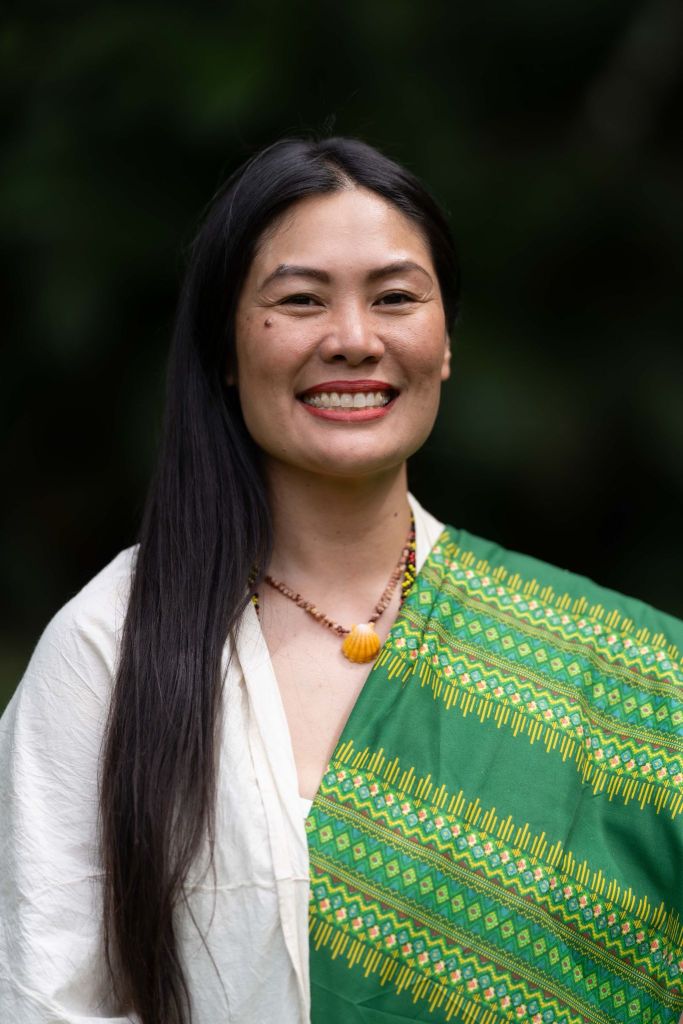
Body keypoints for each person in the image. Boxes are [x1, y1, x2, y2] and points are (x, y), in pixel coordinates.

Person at [1, 137, 682, 1024]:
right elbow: (41, 995)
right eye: (300, 300)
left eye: (395, 298)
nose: (354, 340)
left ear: (444, 342)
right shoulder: (113, 648)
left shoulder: (631, 676)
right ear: (225, 348)